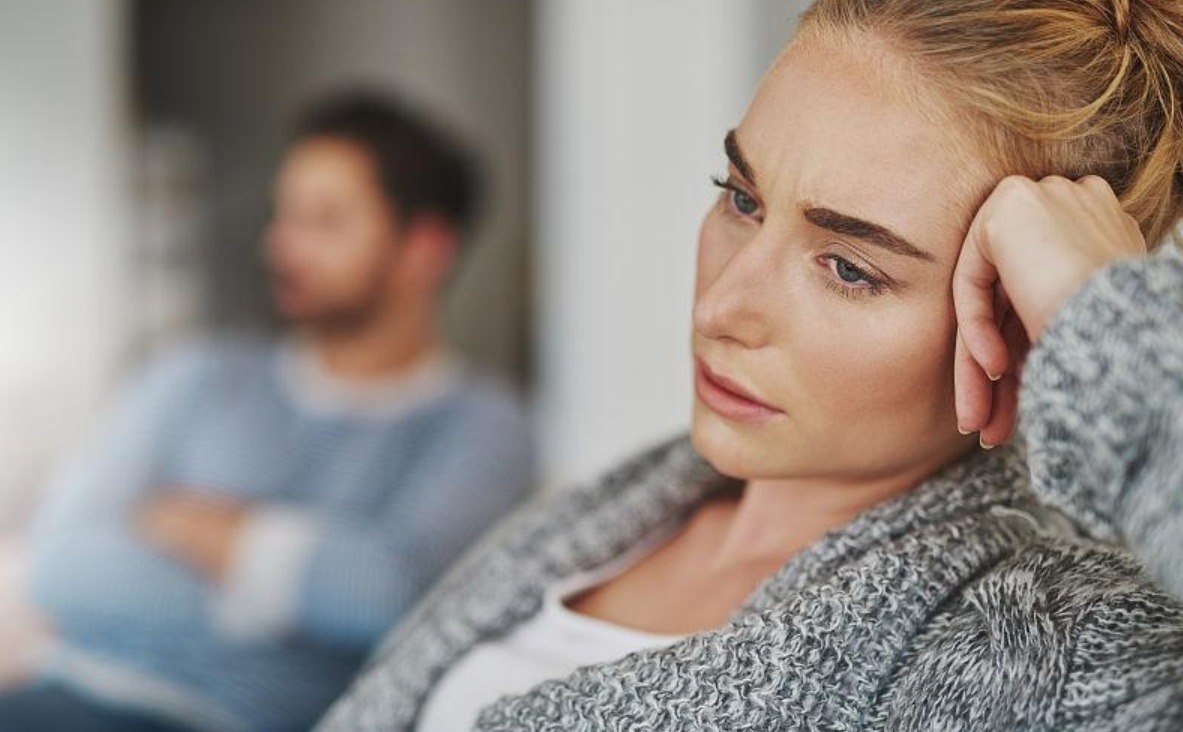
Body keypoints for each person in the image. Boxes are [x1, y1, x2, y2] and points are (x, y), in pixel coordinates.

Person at [315, 1, 1183, 730]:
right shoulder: (622, 511)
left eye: (849, 267)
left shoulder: (1046, 645)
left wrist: (1103, 312)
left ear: (1020, 317)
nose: (717, 308)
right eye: (741, 198)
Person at [1, 91, 535, 732]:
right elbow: (61, 565)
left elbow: (396, 600)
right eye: (284, 216)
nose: (282, 245)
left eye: (325, 221)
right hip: (55, 698)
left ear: (425, 248)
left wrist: (202, 529)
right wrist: (292, 596)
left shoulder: (484, 428)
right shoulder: (195, 376)